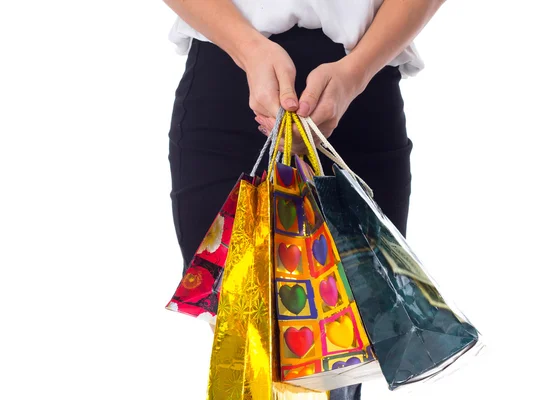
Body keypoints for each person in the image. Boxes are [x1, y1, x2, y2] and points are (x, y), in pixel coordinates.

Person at [163, 1, 446, 399]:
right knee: (250, 350)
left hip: (363, 85)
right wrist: (249, 49)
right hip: (227, 81)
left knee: (343, 358)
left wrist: (357, 71)